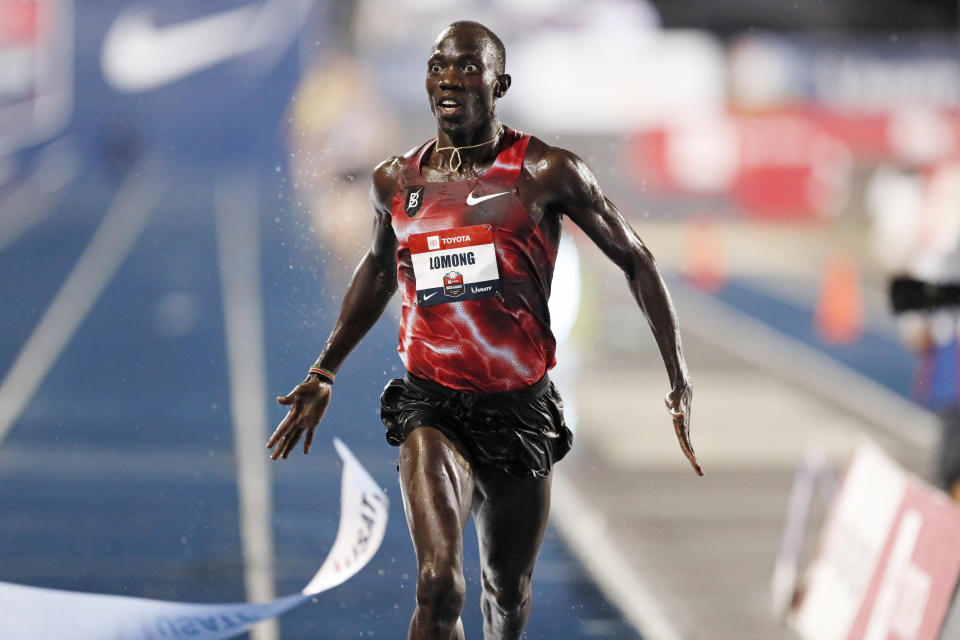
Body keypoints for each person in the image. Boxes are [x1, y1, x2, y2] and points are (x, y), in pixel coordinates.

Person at [267, 20, 702, 640]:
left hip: (520, 410)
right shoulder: (397, 181)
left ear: (499, 83)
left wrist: (679, 378)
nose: (449, 79)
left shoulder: (548, 172)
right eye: (438, 65)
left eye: (468, 67)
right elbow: (376, 273)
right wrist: (324, 369)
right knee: (439, 584)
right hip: (433, 405)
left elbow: (637, 261)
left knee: (508, 591)